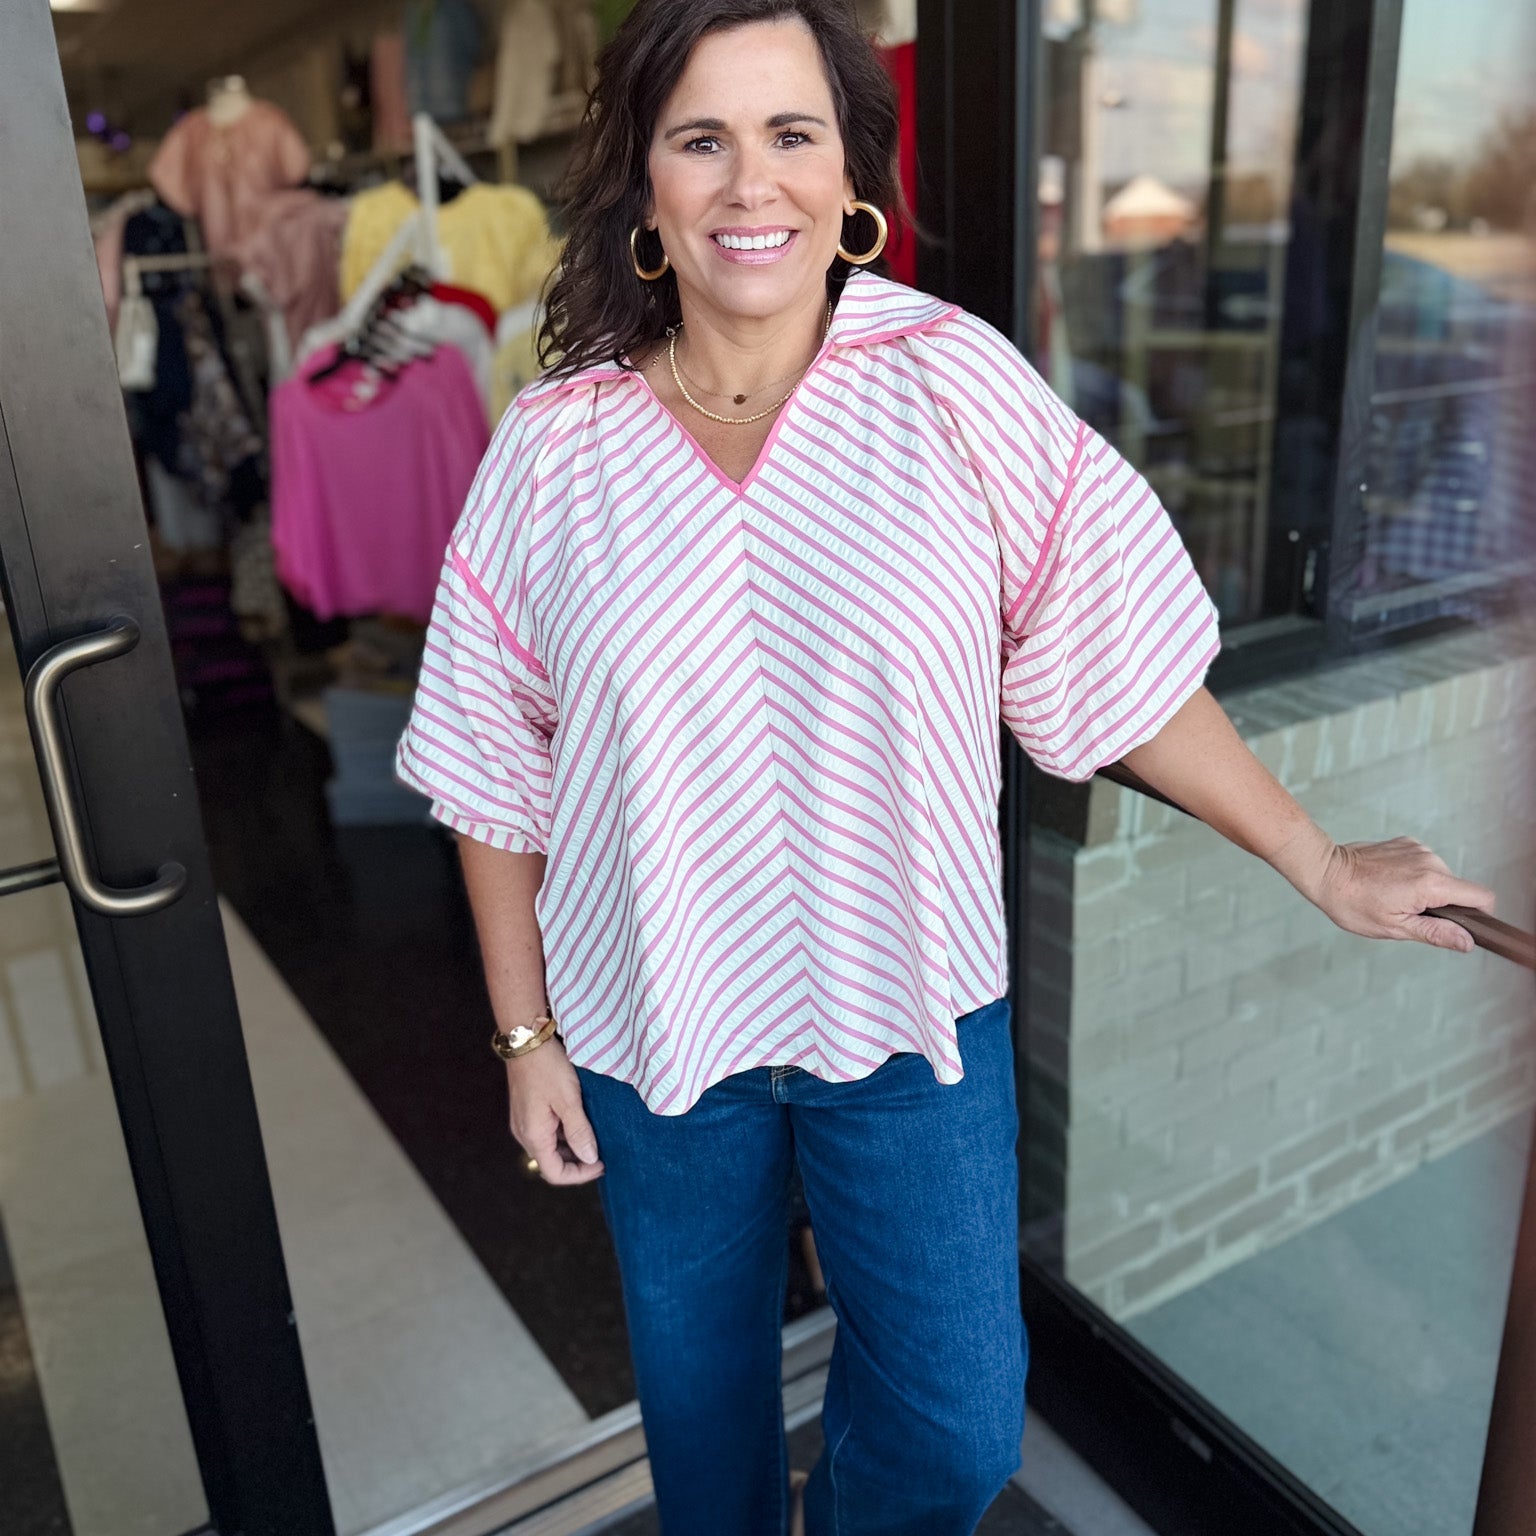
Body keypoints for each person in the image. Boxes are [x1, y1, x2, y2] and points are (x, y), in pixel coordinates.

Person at [394, 1, 1497, 1530]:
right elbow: (488, 758)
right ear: (643, 184)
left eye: (792, 133)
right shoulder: (556, 449)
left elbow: (1109, 659)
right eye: (700, 139)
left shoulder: (948, 384)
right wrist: (528, 1041)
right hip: (653, 1022)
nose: (747, 182)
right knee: (704, 1441)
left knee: (959, 1426)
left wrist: (1316, 858)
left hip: (906, 1016)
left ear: (852, 174)